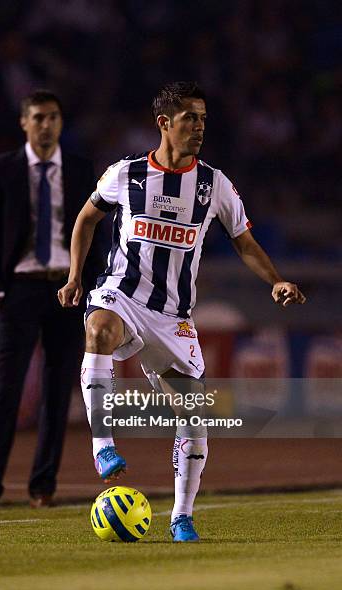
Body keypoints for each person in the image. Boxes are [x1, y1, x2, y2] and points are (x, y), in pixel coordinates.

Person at [57, 81, 306, 541]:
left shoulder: (215, 185)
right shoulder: (126, 174)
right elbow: (86, 218)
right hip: (123, 295)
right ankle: (103, 446)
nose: (199, 127)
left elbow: (245, 243)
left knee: (194, 417)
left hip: (173, 319)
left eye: (204, 119)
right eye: (190, 118)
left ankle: (181, 516)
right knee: (99, 331)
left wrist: (278, 280)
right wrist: (75, 277)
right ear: (164, 123)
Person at [0, 90, 103, 511]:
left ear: (61, 123)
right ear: (24, 123)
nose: (47, 124)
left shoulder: (83, 171)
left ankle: (42, 487)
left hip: (68, 290)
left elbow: (98, 232)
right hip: (20, 289)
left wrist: (89, 284)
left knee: (56, 392)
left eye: (54, 117)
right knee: (5, 393)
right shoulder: (1, 169)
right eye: (39, 117)